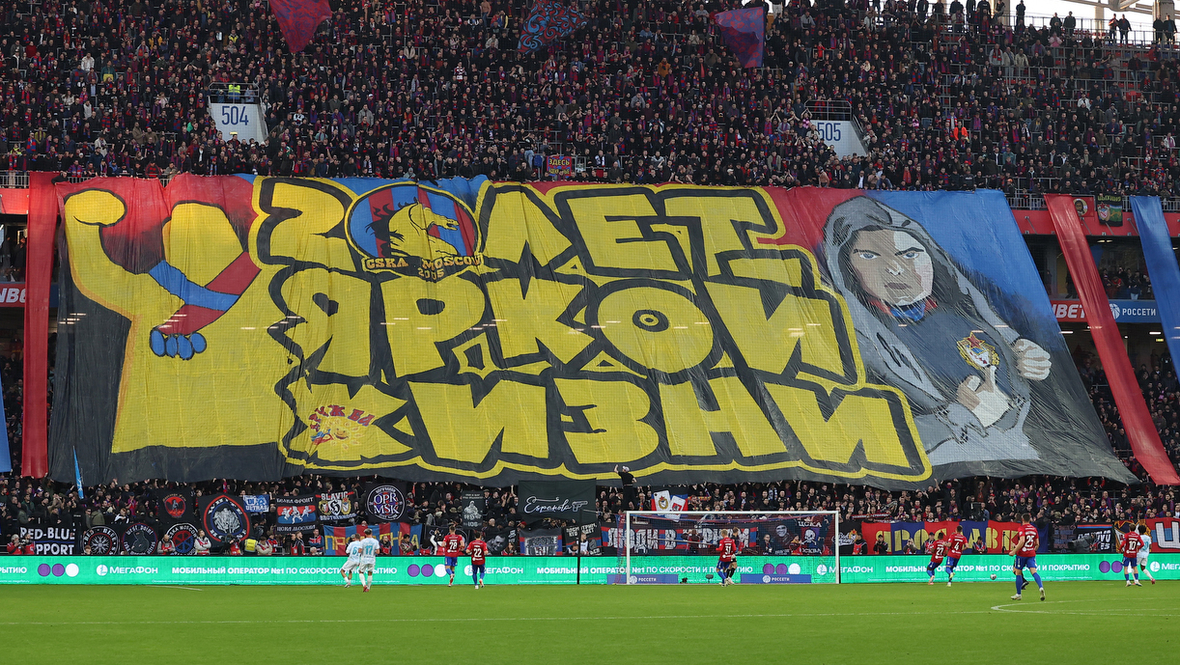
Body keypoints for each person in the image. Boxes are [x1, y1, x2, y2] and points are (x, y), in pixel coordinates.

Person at [823, 197, 1055, 466]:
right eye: (870, 256)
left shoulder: (969, 315)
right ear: (846, 265)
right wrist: (959, 417)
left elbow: (1033, 413)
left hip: (1011, 460)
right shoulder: (850, 341)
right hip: (939, 470)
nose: (895, 268)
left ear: (931, 256)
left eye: (909, 254)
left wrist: (1024, 359)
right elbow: (850, 434)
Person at [1009, 512, 1045, 601]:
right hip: (1031, 554)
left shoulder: (1021, 528)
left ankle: (1018, 594)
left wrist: (1014, 551)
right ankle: (1040, 587)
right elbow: (1037, 544)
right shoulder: (1034, 529)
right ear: (1030, 519)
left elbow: (1022, 541)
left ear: (1022, 519)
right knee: (1034, 572)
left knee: (1018, 572)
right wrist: (1032, 550)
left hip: (1021, 554)